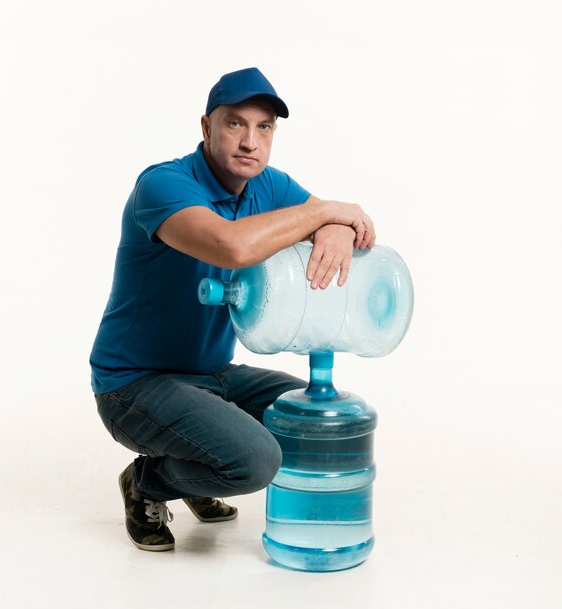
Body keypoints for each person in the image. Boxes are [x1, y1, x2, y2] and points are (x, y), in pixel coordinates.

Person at [90, 67, 376, 552]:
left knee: (307, 418)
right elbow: (231, 247)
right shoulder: (163, 185)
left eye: (264, 127)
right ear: (206, 127)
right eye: (235, 124)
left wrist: (337, 226)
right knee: (255, 460)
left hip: (212, 375)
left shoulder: (266, 186)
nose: (250, 141)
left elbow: (350, 224)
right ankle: (148, 482)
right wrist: (326, 212)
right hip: (132, 384)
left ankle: (200, 473)